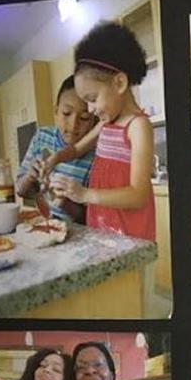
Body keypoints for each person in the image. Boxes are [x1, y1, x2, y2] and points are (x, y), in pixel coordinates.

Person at [47, 21, 156, 240]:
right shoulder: (106, 124)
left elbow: (138, 195)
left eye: (92, 99)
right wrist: (54, 159)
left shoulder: (138, 126)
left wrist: (85, 194)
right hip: (102, 226)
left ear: (119, 83)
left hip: (129, 233)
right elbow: (77, 149)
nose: (90, 109)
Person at [15, 75, 96, 223]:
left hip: (75, 235)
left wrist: (64, 201)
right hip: (41, 224)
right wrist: (30, 177)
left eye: (84, 117)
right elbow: (20, 190)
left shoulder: (96, 154)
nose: (73, 125)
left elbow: (90, 219)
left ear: (94, 120)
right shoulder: (42, 136)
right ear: (56, 111)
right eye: (66, 113)